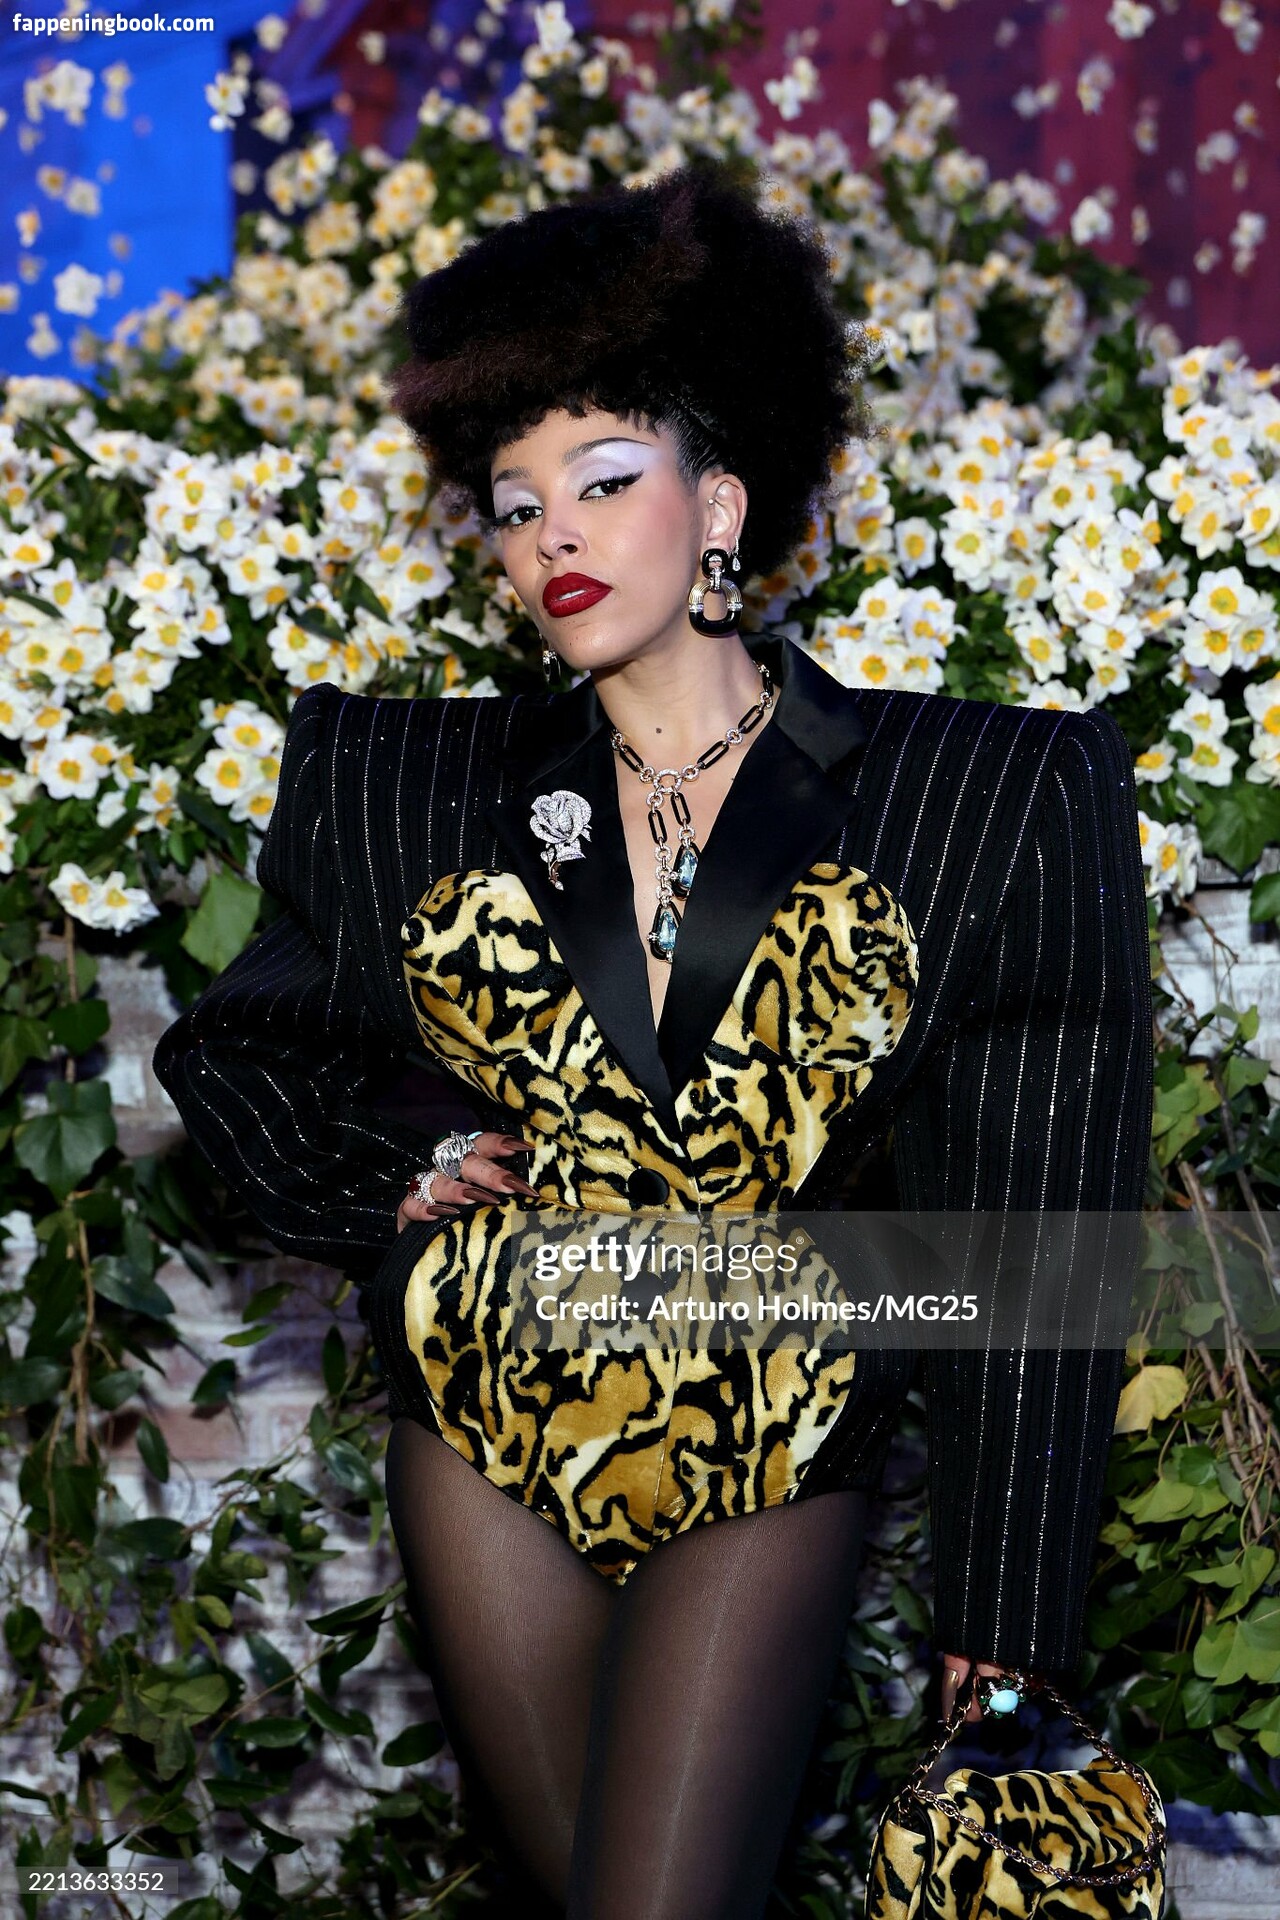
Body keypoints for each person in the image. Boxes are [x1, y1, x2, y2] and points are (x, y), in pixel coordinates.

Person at [152, 161, 1154, 1918]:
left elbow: (1040, 1227)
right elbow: (235, 1061)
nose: (553, 532)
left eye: (605, 479)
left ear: (722, 503)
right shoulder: (402, 785)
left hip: (774, 1425)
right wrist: (403, 1181)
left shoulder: (980, 797)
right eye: (513, 502)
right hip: (486, 1430)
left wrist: (1009, 1632)